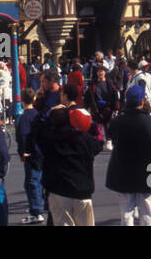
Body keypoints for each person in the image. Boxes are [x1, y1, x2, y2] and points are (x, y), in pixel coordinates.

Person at [37, 83, 104, 225]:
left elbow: (38, 132)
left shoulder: (52, 139)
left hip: (59, 187)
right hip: (82, 189)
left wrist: (47, 114)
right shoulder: (86, 140)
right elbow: (99, 141)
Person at [107, 85, 151, 225]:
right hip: (149, 167)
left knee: (126, 209)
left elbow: (112, 138)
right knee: (147, 208)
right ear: (142, 101)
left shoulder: (117, 122)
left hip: (123, 167)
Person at [16, 87, 46, 224]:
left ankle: (36, 211)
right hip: (41, 151)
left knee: (31, 182)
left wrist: (23, 152)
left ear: (21, 101)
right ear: (34, 99)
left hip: (31, 153)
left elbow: (23, 136)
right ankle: (39, 205)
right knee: (39, 181)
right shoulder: (37, 114)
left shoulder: (24, 118)